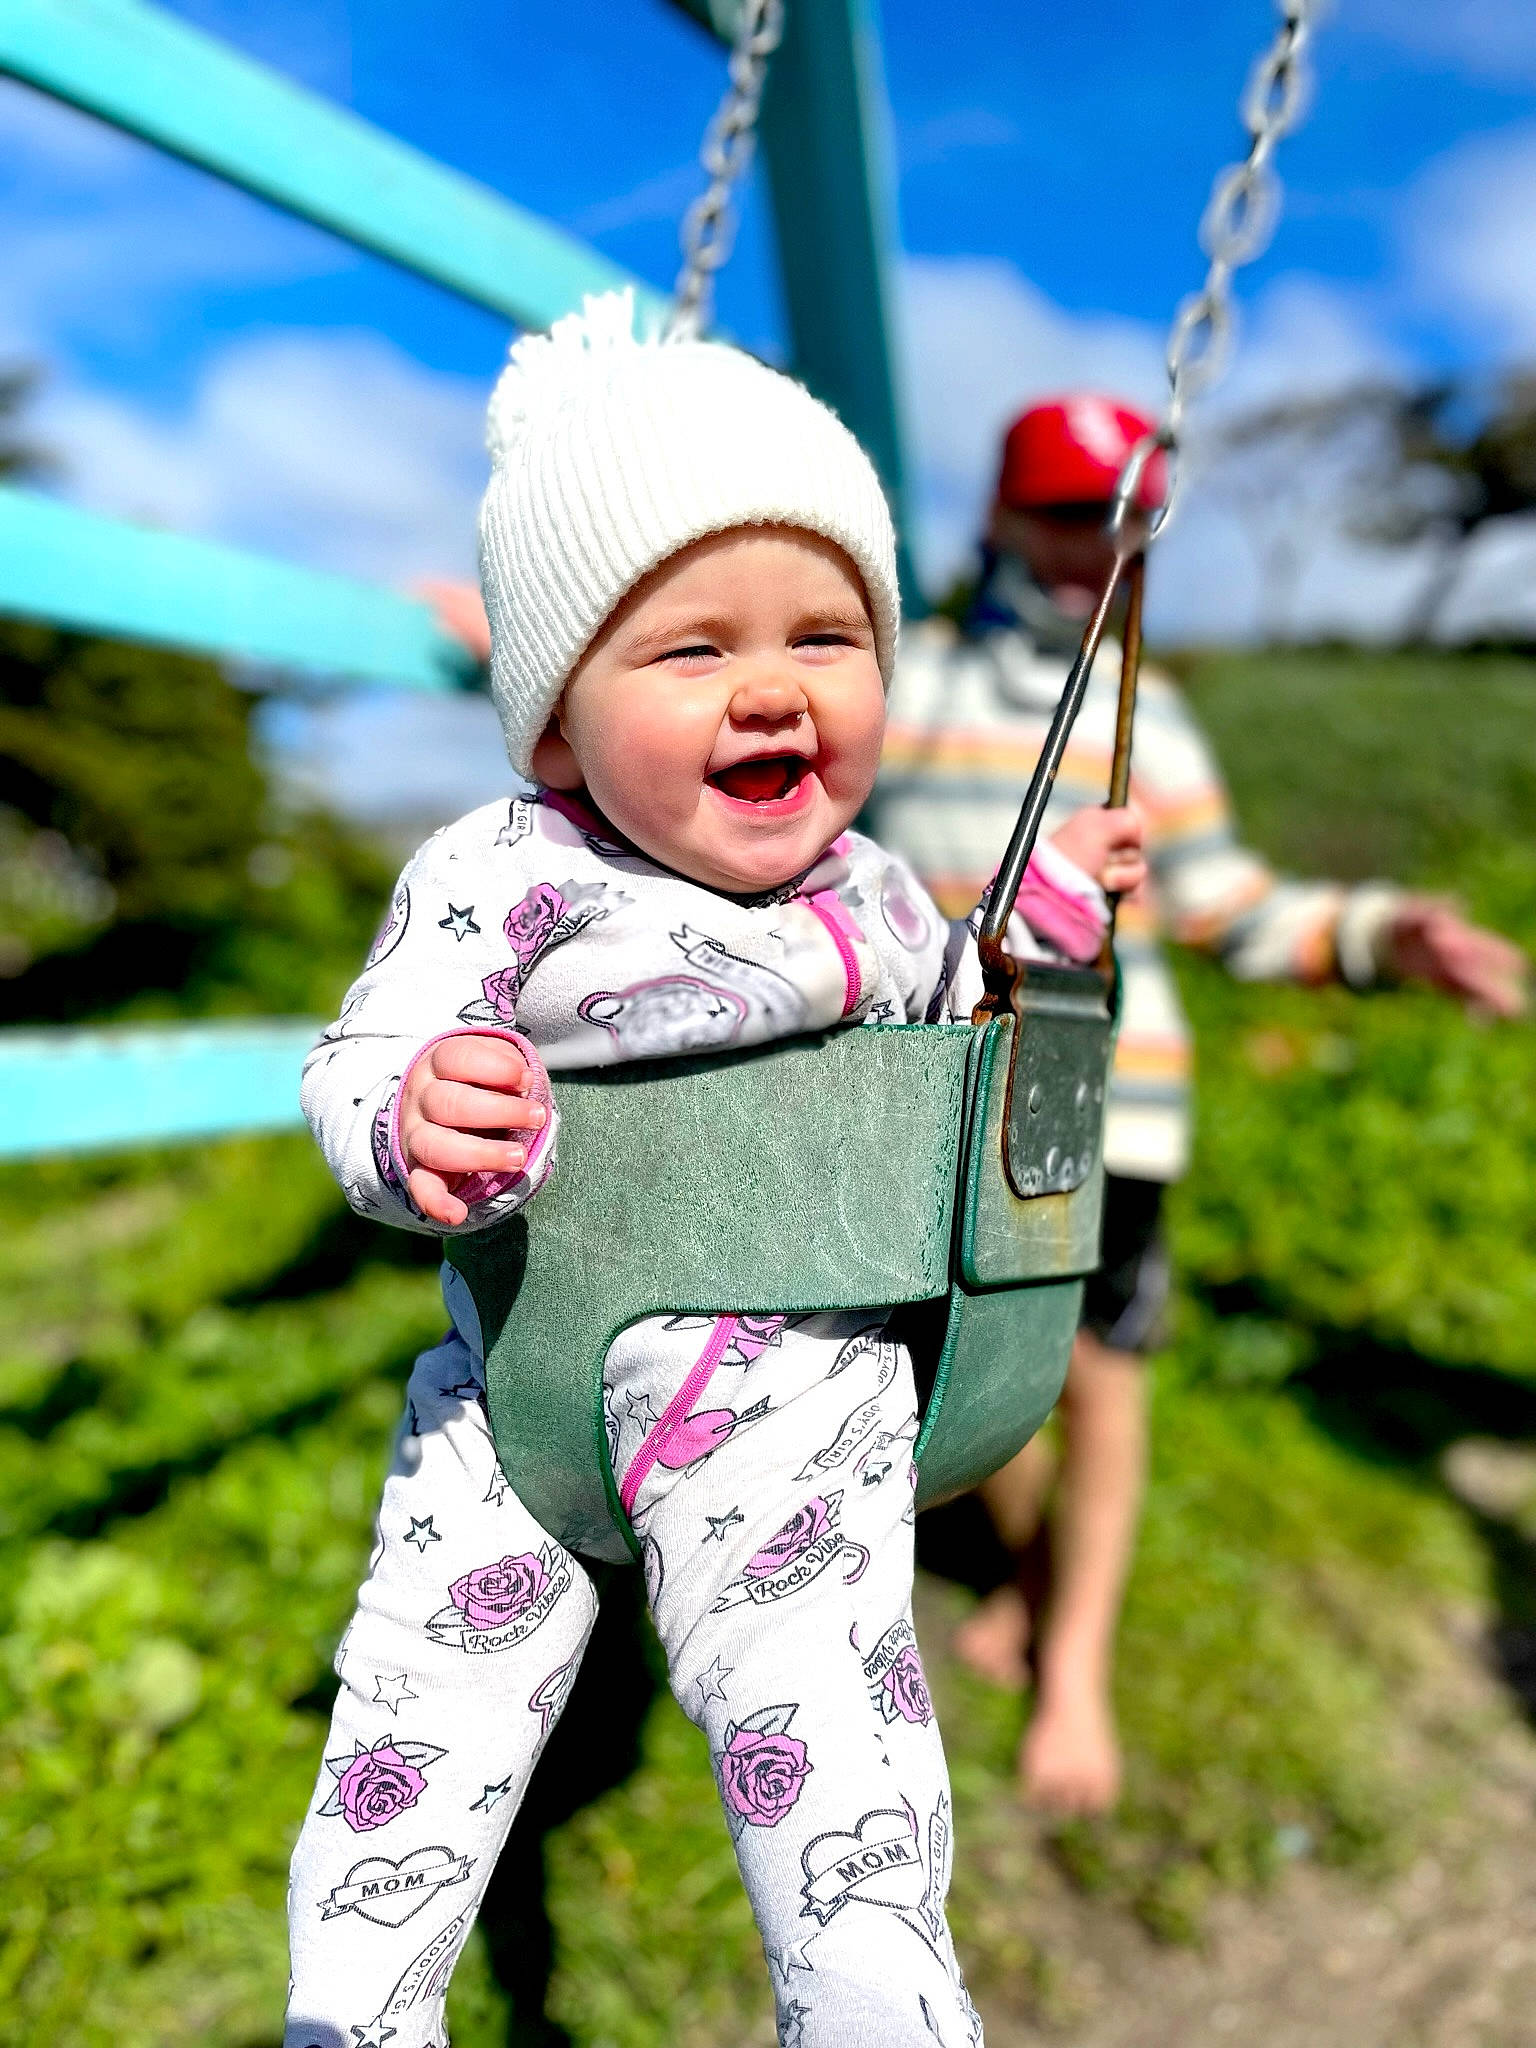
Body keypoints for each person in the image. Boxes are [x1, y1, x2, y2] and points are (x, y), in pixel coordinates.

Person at [287, 294, 1148, 2048]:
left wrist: (1044, 934)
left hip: (793, 1415)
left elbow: (968, 1029)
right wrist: (408, 1112)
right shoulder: (502, 869)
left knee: (838, 1786)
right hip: (513, 1402)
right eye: (689, 654)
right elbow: (364, 1054)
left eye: (827, 637)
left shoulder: (881, 897)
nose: (771, 687)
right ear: (554, 721)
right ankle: (353, 2024)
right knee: (408, 1734)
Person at [869, 394, 1528, 1818]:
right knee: (967, 1374)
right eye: (1059, 515)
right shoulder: (897, 682)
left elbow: (1235, 906)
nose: (1085, 553)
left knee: (1103, 1380)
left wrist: (1378, 934)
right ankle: (1032, 1578)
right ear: (996, 517)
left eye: (1118, 526)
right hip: (933, 1093)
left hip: (1112, 1104)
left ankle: (1076, 1666)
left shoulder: (1149, 714)